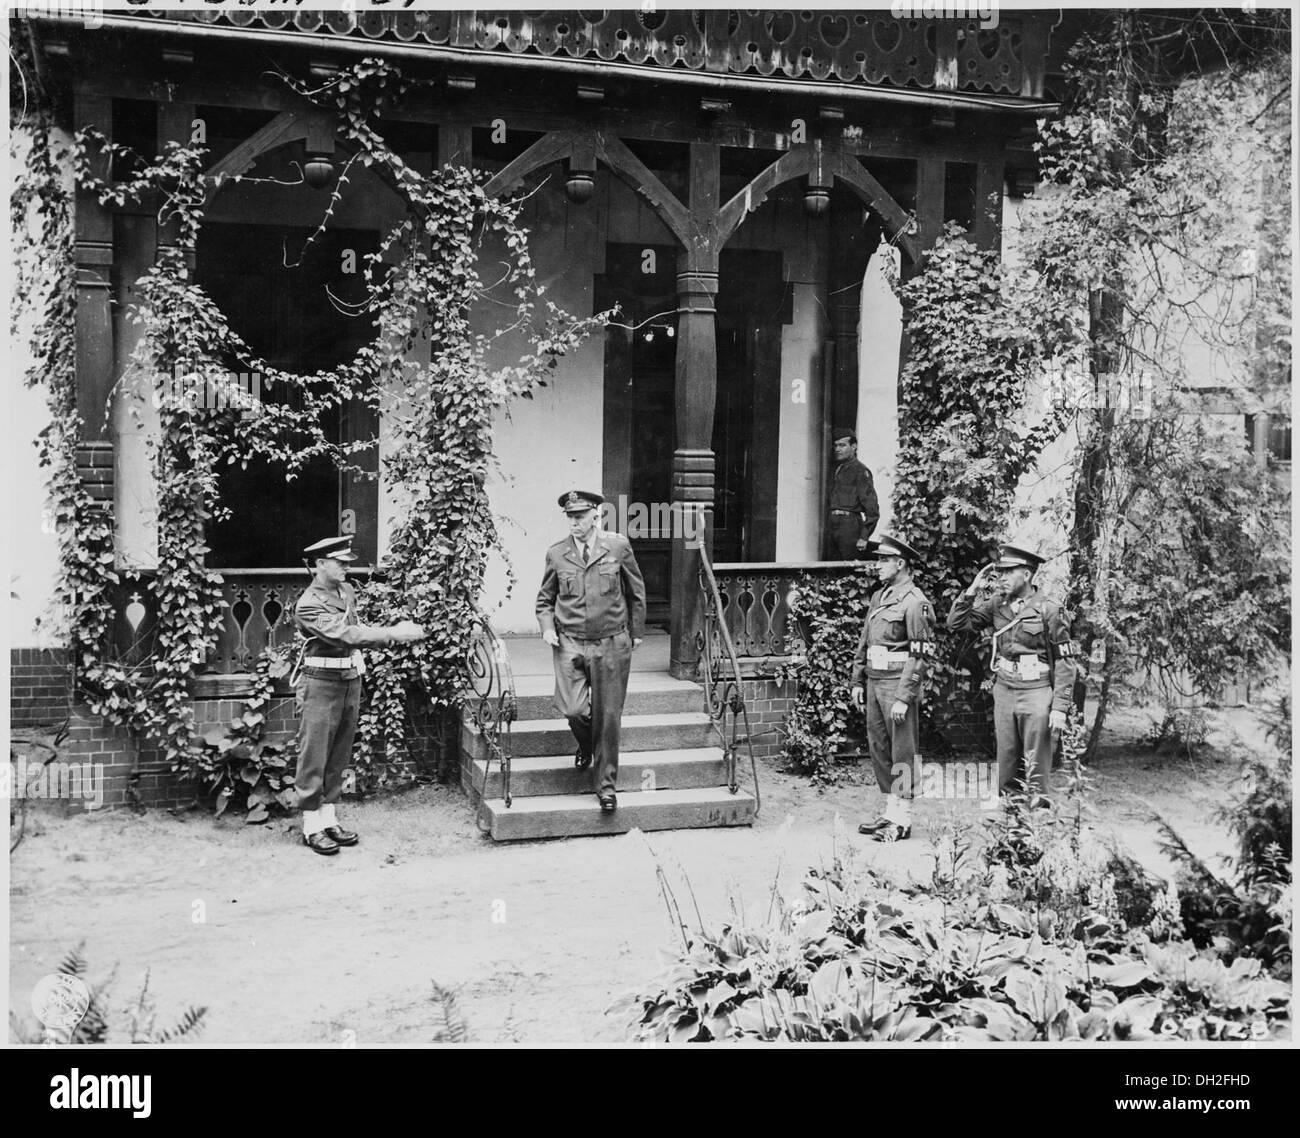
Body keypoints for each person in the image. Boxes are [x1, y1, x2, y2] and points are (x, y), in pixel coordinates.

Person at [293, 536, 426, 855]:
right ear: (321, 564)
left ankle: (329, 818)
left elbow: (355, 627)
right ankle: (311, 825)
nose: (346, 566)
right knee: (315, 753)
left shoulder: (347, 590)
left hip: (348, 678)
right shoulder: (309, 603)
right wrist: (394, 633)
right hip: (320, 681)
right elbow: (345, 634)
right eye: (340, 561)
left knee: (339, 752)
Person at [535, 490, 646, 811]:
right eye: (570, 517)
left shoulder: (617, 546)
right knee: (573, 709)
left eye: (580, 517)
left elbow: (635, 591)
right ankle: (586, 744)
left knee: (608, 716)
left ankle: (606, 787)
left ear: (595, 515)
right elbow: (544, 599)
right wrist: (547, 627)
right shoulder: (557, 554)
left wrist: (636, 632)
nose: (574, 523)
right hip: (569, 642)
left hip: (611, 642)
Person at [946, 543, 1078, 805]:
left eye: (1008, 573)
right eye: (1000, 573)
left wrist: (1060, 708)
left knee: (1036, 758)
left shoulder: (1050, 609)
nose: (1001, 579)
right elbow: (957, 623)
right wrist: (973, 589)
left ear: (1027, 575)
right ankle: (1010, 819)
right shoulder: (997, 604)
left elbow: (1065, 661)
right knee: (1006, 757)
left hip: (1037, 691)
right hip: (1005, 689)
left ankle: (1038, 819)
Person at [850, 534, 935, 841]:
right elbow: (865, 641)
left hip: (896, 686)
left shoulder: (915, 603)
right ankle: (890, 811)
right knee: (879, 748)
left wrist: (904, 696)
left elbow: (920, 654)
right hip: (874, 682)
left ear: (900, 564)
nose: (878, 565)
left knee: (903, 751)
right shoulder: (880, 597)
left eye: (884, 560)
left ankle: (904, 819)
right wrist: (857, 680)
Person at [826, 429, 880, 561]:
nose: (837, 449)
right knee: (831, 566)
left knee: (849, 566)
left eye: (842, 445)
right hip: (833, 524)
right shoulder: (840, 469)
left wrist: (864, 536)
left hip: (849, 525)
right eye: (836, 445)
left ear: (854, 447)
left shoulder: (861, 471)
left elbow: (872, 509)